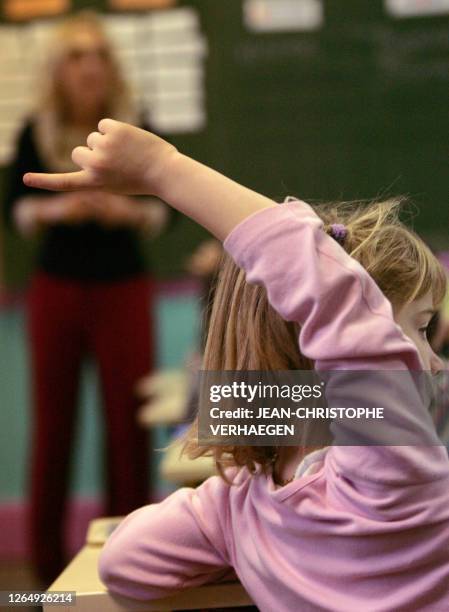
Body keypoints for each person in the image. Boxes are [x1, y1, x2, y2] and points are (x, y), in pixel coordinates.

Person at [23, 120, 449, 610]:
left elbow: (124, 563)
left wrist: (249, 543)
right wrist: (160, 168)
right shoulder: (396, 471)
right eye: (419, 329)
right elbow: (330, 298)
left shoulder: (241, 511)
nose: (435, 363)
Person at [3, 16, 167, 585]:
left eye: (98, 52)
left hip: (124, 289)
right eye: (76, 55)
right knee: (53, 430)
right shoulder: (35, 129)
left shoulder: (132, 126)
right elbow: (16, 210)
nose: (90, 64)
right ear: (58, 68)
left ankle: (136, 565)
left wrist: (127, 212)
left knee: (130, 427)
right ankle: (49, 579)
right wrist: (60, 208)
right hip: (57, 291)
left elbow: (163, 208)